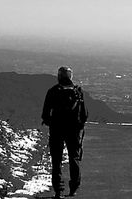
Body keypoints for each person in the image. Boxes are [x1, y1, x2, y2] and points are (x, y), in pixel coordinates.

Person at [42, 66, 88, 199]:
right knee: (74, 157)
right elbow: (84, 114)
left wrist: (52, 123)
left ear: (59, 76)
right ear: (70, 76)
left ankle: (58, 190)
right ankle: (73, 188)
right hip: (73, 130)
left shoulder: (53, 91)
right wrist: (79, 126)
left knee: (56, 160)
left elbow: (45, 114)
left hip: (57, 130)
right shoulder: (77, 91)